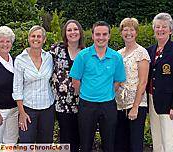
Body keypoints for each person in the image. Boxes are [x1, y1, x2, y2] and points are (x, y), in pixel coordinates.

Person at [69, 21, 126, 152]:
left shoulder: (116, 57)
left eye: (104, 34)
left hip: (108, 105)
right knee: (86, 144)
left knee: (109, 144)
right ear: (93, 36)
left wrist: (105, 93)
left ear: (109, 36)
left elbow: (118, 81)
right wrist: (87, 92)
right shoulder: (83, 56)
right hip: (87, 105)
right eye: (98, 34)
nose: (101, 37)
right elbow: (75, 80)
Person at [147, 13, 173, 152]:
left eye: (164, 26)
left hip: (170, 104)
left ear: (170, 30)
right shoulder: (150, 51)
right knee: (157, 142)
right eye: (157, 26)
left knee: (170, 144)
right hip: (153, 101)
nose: (160, 29)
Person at [12, 25, 54, 143]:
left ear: (44, 39)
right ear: (29, 38)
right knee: (26, 144)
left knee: (45, 145)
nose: (36, 39)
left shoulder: (49, 58)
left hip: (47, 108)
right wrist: (21, 113)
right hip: (28, 109)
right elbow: (17, 88)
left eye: (39, 36)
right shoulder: (20, 60)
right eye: (33, 36)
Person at [115, 18, 150, 152]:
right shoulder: (118, 54)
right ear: (121, 32)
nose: (128, 33)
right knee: (120, 143)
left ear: (136, 32)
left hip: (136, 104)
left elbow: (143, 82)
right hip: (120, 104)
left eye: (132, 29)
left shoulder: (142, 53)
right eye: (125, 29)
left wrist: (135, 107)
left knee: (135, 144)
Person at [50, 19, 85, 152]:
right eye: (69, 30)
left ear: (80, 32)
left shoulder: (86, 52)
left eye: (75, 29)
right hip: (62, 103)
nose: (72, 32)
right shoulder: (56, 50)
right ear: (65, 33)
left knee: (79, 137)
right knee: (65, 136)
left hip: (81, 102)